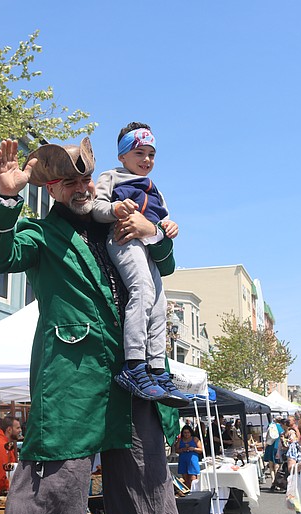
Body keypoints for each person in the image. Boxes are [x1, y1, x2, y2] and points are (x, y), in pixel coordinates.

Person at [0, 138, 181, 514]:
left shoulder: (118, 220)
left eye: (86, 178)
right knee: (53, 493)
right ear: (51, 189)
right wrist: (6, 197)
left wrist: (154, 231)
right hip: (74, 384)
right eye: (69, 182)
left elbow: (166, 265)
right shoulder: (40, 234)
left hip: (135, 382)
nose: (82, 188)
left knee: (150, 497)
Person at [92, 122, 186, 408]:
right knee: (142, 291)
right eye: (139, 153)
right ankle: (134, 365)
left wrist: (168, 227)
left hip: (147, 246)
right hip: (124, 240)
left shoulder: (156, 188)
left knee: (159, 303)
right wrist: (115, 209)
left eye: (151, 155)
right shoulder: (111, 176)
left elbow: (163, 220)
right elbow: (97, 208)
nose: (146, 160)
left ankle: (157, 369)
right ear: (122, 156)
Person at [263, 416, 285, 481]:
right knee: (277, 465)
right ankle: (276, 481)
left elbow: (267, 437)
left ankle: (273, 480)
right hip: (278, 447)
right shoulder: (281, 428)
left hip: (270, 446)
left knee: (271, 465)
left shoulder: (271, 426)